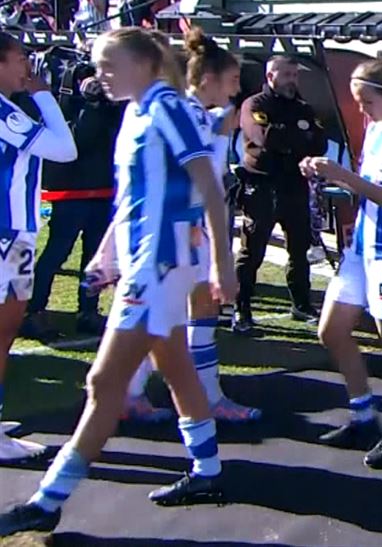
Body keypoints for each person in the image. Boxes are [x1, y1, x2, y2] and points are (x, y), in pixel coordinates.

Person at [0, 28, 236, 537]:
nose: (99, 76)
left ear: (144, 64)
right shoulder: (136, 112)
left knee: (103, 383)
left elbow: (209, 189)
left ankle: (49, 499)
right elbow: (134, 197)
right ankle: (208, 471)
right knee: (175, 367)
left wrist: (223, 264)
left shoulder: (168, 108)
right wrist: (110, 254)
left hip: (160, 266)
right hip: (145, 265)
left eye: (108, 65)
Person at [124, 29, 262, 424]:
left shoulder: (200, 116)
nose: (238, 91)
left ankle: (137, 392)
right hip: (184, 230)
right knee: (174, 314)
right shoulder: (187, 116)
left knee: (177, 315)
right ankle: (194, 396)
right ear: (207, 80)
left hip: (187, 229)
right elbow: (201, 182)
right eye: (233, 81)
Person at [302, 60, 382, 469]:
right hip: (362, 247)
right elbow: (367, 189)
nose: (362, 110)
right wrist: (325, 174)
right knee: (331, 330)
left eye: (367, 100)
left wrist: (343, 177)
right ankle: (362, 413)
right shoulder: (376, 132)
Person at [0, 32, 79, 462]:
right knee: (2, 330)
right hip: (6, 232)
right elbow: (64, 149)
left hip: (13, 231)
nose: (26, 68)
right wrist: (46, 97)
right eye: (19, 59)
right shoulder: (4, 112)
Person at [25, 63, 122, 340]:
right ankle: (34, 310)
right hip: (72, 193)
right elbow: (78, 142)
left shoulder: (112, 107)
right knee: (57, 253)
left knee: (94, 255)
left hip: (103, 190)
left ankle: (88, 310)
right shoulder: (68, 106)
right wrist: (90, 103)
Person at [234, 55, 327, 332]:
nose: (292, 81)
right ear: (271, 76)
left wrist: (291, 137)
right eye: (287, 75)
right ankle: (242, 308)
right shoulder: (255, 104)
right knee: (252, 251)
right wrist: (298, 138)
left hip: (294, 186)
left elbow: (319, 143)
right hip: (262, 186)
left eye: (295, 75)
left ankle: (301, 303)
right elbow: (265, 138)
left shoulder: (302, 107)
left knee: (299, 249)